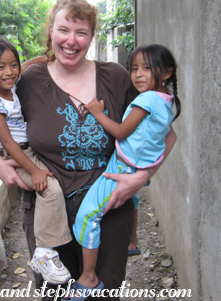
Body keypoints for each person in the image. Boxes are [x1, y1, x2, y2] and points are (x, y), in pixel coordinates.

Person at [0, 0, 177, 301]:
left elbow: (164, 133)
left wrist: (144, 176)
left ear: (91, 37)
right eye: (63, 30)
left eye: (81, 32)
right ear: (51, 32)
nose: (71, 41)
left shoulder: (117, 78)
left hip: (108, 207)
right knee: (55, 294)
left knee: (102, 293)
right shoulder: (29, 79)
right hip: (47, 211)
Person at [70, 44, 181, 297]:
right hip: (137, 167)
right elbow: (171, 138)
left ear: (166, 73)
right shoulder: (169, 101)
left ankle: (89, 278)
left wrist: (97, 112)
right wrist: (149, 170)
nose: (138, 74)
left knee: (87, 217)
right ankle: (132, 242)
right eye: (134, 69)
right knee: (133, 197)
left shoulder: (147, 99)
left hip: (121, 167)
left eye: (146, 68)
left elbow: (120, 131)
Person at [0, 37, 73, 284]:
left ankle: (47, 249)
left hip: (27, 151)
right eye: (0, 67)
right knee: (49, 190)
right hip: (19, 155)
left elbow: (29, 64)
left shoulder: (7, 86)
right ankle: (44, 251)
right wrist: (34, 170)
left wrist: (51, 58)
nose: (9, 72)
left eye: (13, 65)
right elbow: (7, 142)